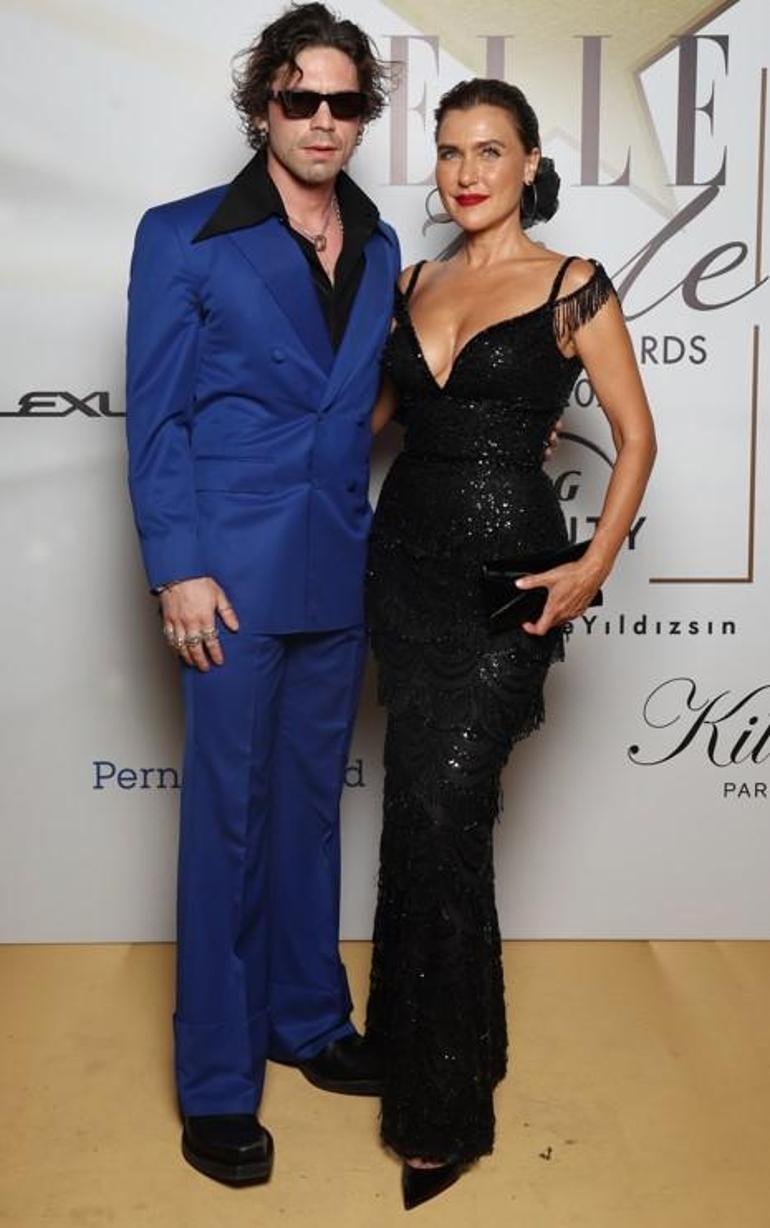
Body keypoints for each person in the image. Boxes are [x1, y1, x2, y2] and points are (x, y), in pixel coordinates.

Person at [364, 77, 657, 1209]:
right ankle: (427, 1045)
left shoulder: (574, 285)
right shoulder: (410, 283)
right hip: (405, 572)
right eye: (449, 152)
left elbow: (634, 437)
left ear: (530, 163)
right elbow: (362, 427)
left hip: (504, 587)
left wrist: (591, 566)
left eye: (489, 150)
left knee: (444, 804)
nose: (466, 172)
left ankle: (441, 1108)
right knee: (418, 812)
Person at [125, 3, 401, 1186]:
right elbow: (156, 419)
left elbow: (360, 401)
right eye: (300, 99)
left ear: (362, 114)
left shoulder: (379, 242)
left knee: (306, 806)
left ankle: (307, 1017)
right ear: (262, 108)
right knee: (227, 821)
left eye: (344, 101)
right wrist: (177, 565)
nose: (322, 121)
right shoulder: (183, 235)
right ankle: (216, 1078)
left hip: (335, 563)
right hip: (226, 577)